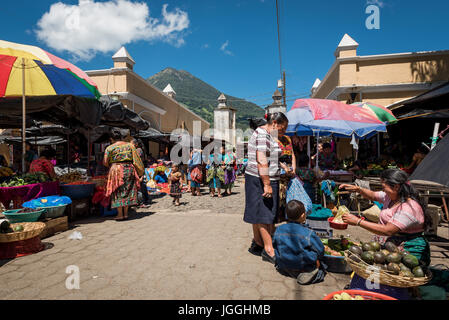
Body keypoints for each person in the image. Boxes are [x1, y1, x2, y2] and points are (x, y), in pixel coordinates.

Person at [339, 168, 431, 266]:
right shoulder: (392, 197)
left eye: (384, 187)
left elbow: (388, 230)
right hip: (389, 248)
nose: (383, 190)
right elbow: (373, 195)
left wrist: (358, 222)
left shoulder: (408, 208)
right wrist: (359, 189)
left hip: (408, 252)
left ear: (396, 187)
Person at [244, 112, 288, 263]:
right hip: (261, 178)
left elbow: (270, 156)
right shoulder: (263, 135)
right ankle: (269, 250)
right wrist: (267, 184)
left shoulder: (268, 135)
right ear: (274, 123)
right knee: (264, 214)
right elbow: (261, 159)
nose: (283, 132)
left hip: (262, 177)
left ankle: (258, 243)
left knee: (260, 212)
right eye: (282, 129)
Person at [273, 200, 326, 285]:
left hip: (283, 265)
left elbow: (275, 245)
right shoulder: (308, 233)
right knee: (323, 267)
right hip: (301, 267)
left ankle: (288, 270)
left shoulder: (279, 229)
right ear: (302, 215)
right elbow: (320, 250)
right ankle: (310, 274)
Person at [104, 130, 144, 221]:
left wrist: (112, 165)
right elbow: (136, 160)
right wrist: (140, 172)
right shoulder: (130, 146)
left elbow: (105, 162)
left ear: (111, 139)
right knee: (127, 190)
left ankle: (120, 214)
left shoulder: (109, 148)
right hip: (129, 169)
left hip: (116, 170)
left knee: (117, 191)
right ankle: (126, 214)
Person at [132, 139, 151, 208]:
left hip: (139, 171)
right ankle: (145, 200)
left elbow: (137, 160)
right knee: (141, 186)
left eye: (132, 144)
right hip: (140, 170)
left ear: (136, 144)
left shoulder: (138, 150)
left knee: (140, 186)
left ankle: (143, 201)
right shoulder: (138, 150)